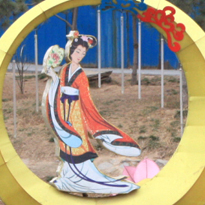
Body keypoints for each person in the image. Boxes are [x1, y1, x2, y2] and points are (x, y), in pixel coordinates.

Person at [43, 31, 142, 196]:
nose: (80, 56)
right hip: (63, 110)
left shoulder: (81, 74)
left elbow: (85, 99)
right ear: (70, 52)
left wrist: (91, 121)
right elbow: (59, 86)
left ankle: (83, 176)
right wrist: (51, 74)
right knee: (66, 143)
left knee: (77, 141)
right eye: (77, 52)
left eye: (83, 53)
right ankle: (68, 176)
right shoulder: (65, 69)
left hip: (76, 112)